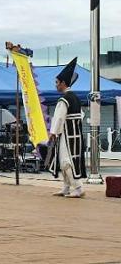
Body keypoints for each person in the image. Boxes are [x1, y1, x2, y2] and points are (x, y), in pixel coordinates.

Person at [48, 58, 86, 198]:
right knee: (68, 160)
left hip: (66, 135)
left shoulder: (64, 99)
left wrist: (53, 133)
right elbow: (80, 115)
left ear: (63, 83)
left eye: (57, 83)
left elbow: (58, 117)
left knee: (65, 161)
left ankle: (78, 188)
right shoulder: (75, 97)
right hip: (75, 134)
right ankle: (66, 187)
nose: (56, 85)